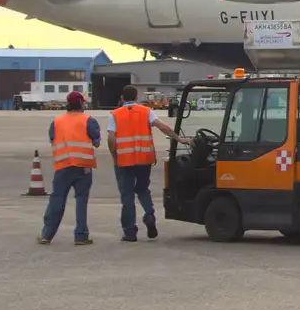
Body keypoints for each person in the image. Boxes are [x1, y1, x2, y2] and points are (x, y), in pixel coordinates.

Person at [108, 84, 189, 242]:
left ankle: (130, 232)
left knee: (127, 195)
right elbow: (161, 126)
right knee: (143, 189)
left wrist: (114, 156)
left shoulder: (115, 114)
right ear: (137, 97)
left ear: (122, 98)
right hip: (144, 158)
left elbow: (111, 138)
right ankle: (150, 215)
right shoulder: (146, 111)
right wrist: (179, 139)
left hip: (124, 160)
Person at [39, 90, 100, 245]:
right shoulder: (89, 120)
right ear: (80, 103)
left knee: (57, 199)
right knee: (81, 200)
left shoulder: (57, 121)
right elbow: (96, 142)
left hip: (63, 165)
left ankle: (47, 234)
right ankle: (80, 236)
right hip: (83, 166)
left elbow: (52, 139)